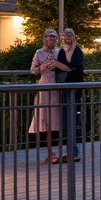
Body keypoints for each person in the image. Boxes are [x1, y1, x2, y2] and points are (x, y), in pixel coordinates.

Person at [29, 29, 61, 164]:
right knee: (45, 120)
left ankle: (61, 151)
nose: (52, 39)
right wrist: (41, 68)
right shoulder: (39, 53)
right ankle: (50, 152)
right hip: (44, 88)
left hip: (57, 88)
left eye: (54, 37)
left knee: (57, 119)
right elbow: (33, 71)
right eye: (49, 37)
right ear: (44, 39)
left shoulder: (59, 52)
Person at [53, 28, 85, 163]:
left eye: (69, 36)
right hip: (64, 89)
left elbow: (78, 68)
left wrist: (65, 67)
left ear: (73, 37)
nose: (66, 39)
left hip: (75, 90)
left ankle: (74, 151)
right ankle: (70, 151)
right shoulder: (61, 52)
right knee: (66, 122)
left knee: (74, 121)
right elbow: (59, 68)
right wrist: (66, 68)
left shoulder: (77, 51)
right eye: (64, 37)